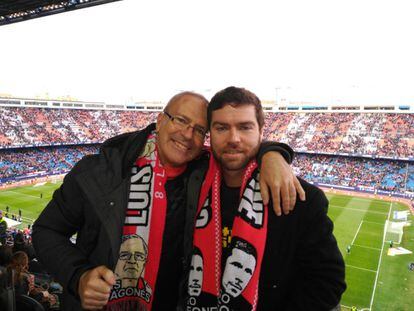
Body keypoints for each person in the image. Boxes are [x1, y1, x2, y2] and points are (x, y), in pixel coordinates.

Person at [32, 91, 304, 310]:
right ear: (160, 120)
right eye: (181, 121)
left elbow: (238, 147)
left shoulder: (205, 172)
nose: (188, 135)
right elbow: (46, 230)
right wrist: (78, 276)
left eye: (199, 129)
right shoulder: (100, 171)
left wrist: (274, 154)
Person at [182, 86, 346, 310]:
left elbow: (328, 282)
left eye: (245, 127)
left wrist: (272, 152)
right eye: (221, 128)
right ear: (210, 132)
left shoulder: (301, 198)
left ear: (261, 132)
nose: (234, 138)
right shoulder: (191, 186)